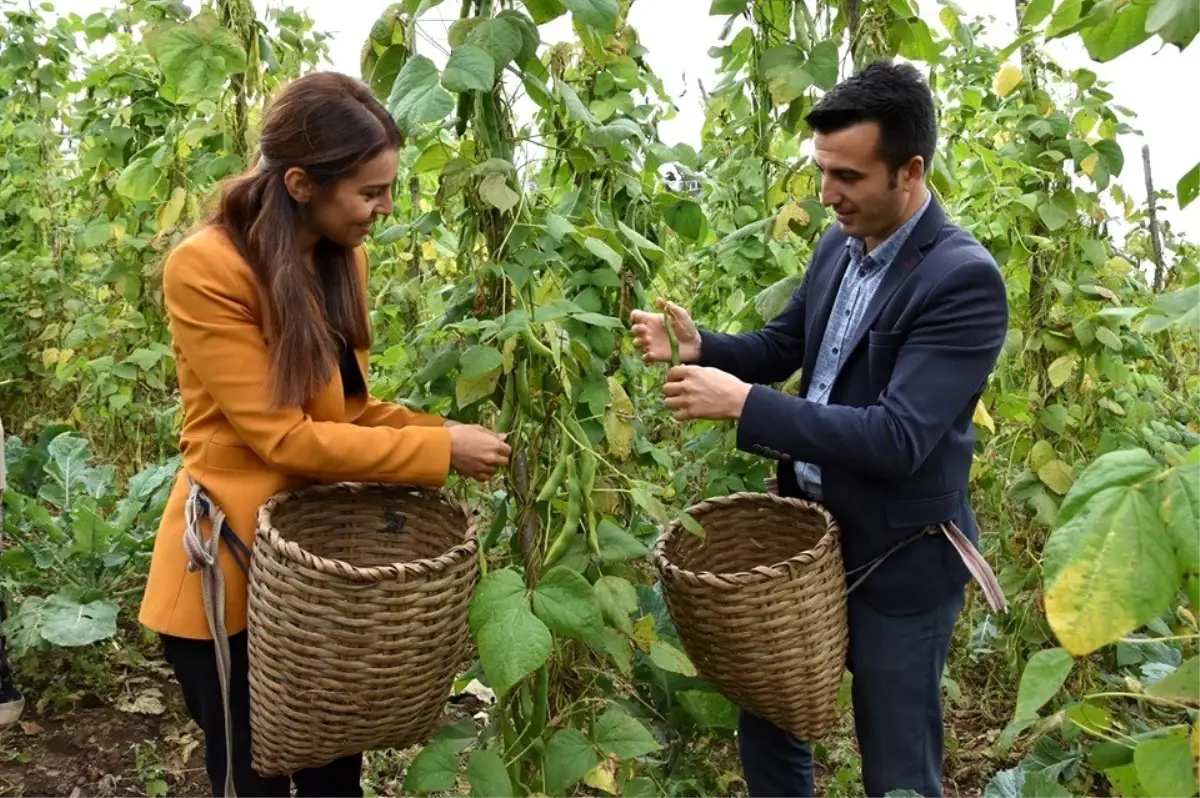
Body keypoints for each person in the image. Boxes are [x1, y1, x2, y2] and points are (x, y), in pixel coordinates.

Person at [630, 59, 1008, 798]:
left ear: (909, 172)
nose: (828, 195)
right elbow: (786, 347)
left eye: (849, 177)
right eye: (823, 172)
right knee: (770, 722)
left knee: (897, 766)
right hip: (805, 543)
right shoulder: (839, 244)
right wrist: (706, 346)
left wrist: (744, 405)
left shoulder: (961, 279)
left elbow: (898, 438)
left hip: (899, 556)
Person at [137, 71, 511, 798]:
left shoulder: (339, 256)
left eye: (388, 188)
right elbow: (287, 440)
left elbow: (343, 414)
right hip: (235, 575)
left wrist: (442, 431)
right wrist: (438, 451)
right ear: (302, 183)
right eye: (370, 192)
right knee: (253, 781)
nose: (384, 208)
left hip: (319, 581)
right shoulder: (207, 268)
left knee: (339, 773)